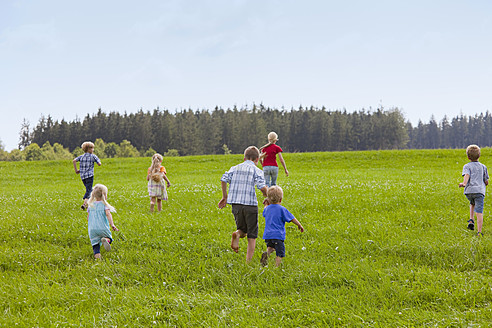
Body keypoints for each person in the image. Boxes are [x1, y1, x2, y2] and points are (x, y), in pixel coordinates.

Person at [218, 146, 268, 262]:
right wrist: (268, 196)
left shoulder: (234, 168)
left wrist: (225, 197)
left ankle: (237, 234)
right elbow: (261, 187)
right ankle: (248, 261)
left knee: (242, 230)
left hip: (236, 204)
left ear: (244, 158)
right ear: (257, 160)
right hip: (250, 205)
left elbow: (223, 179)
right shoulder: (257, 170)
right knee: (252, 234)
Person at [260, 185, 304, 267]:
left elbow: (264, 210)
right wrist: (299, 225)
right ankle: (276, 267)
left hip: (268, 235)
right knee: (280, 253)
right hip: (278, 235)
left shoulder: (267, 209)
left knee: (270, 246)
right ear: (280, 199)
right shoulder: (282, 209)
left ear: (268, 199)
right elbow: (292, 218)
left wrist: (265, 204)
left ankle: (267, 253)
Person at [459, 144, 489, 236]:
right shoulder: (483, 167)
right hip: (479, 191)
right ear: (479, 155)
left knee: (472, 203)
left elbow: (467, 175)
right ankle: (479, 232)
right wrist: (485, 183)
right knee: (479, 211)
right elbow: (486, 181)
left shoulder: (467, 166)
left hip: (469, 191)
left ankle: (471, 220)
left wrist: (464, 184)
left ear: (468, 157)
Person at [86, 184, 118, 259]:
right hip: (102, 227)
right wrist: (112, 224)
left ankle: (98, 258)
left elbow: (88, 218)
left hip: (92, 229)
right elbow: (108, 214)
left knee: (95, 244)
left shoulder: (90, 205)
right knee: (109, 238)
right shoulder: (104, 205)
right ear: (104, 195)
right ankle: (106, 240)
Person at [73, 141, 101, 210]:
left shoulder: (81, 157)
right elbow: (99, 163)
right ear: (88, 149)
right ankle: (85, 204)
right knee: (89, 190)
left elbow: (74, 161)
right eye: (92, 148)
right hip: (90, 176)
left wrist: (77, 170)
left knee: (90, 189)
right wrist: (97, 162)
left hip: (83, 176)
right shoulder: (93, 156)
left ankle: (91, 202)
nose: (93, 150)